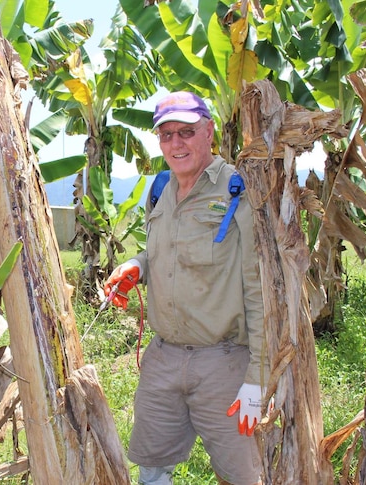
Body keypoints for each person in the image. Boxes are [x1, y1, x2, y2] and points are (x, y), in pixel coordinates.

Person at [104, 92, 267, 485]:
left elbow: (260, 290)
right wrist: (135, 265)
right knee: (153, 467)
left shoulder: (238, 190)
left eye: (187, 132)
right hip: (163, 357)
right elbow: (162, 252)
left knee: (242, 474)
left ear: (209, 131)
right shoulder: (160, 188)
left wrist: (257, 380)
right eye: (166, 135)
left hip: (223, 361)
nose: (176, 144)